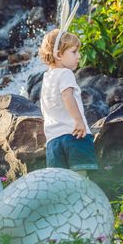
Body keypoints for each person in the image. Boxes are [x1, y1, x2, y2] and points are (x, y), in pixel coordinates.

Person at [38, 28, 99, 177]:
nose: (79, 56)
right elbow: (67, 97)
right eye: (74, 52)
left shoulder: (46, 78)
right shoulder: (66, 73)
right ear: (58, 54)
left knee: (62, 184)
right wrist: (78, 121)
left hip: (53, 142)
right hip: (75, 136)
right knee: (81, 180)